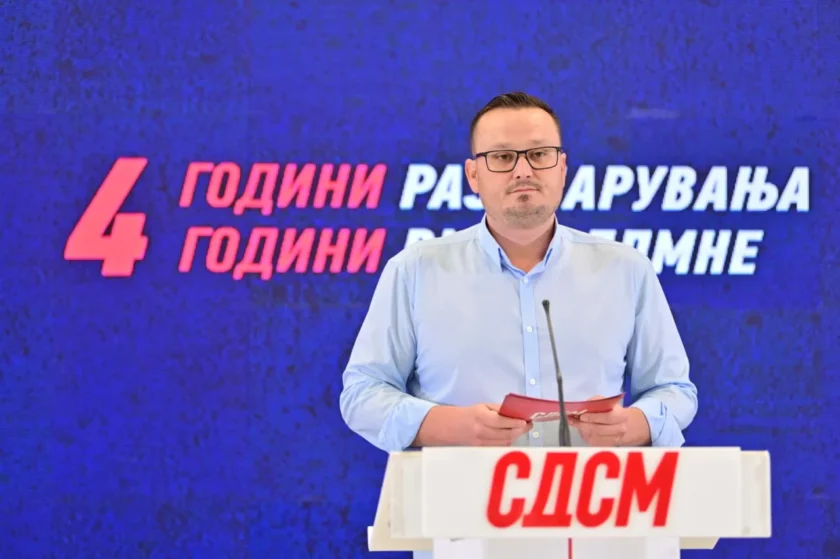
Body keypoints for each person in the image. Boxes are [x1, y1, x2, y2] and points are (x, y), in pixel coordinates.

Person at [339, 91, 698, 454]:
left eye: (539, 155)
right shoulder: (415, 270)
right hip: (456, 487)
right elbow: (361, 394)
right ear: (473, 175)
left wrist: (635, 424)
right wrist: (448, 426)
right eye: (503, 157)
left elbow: (675, 390)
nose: (523, 171)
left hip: (589, 488)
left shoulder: (625, 269)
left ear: (562, 168)